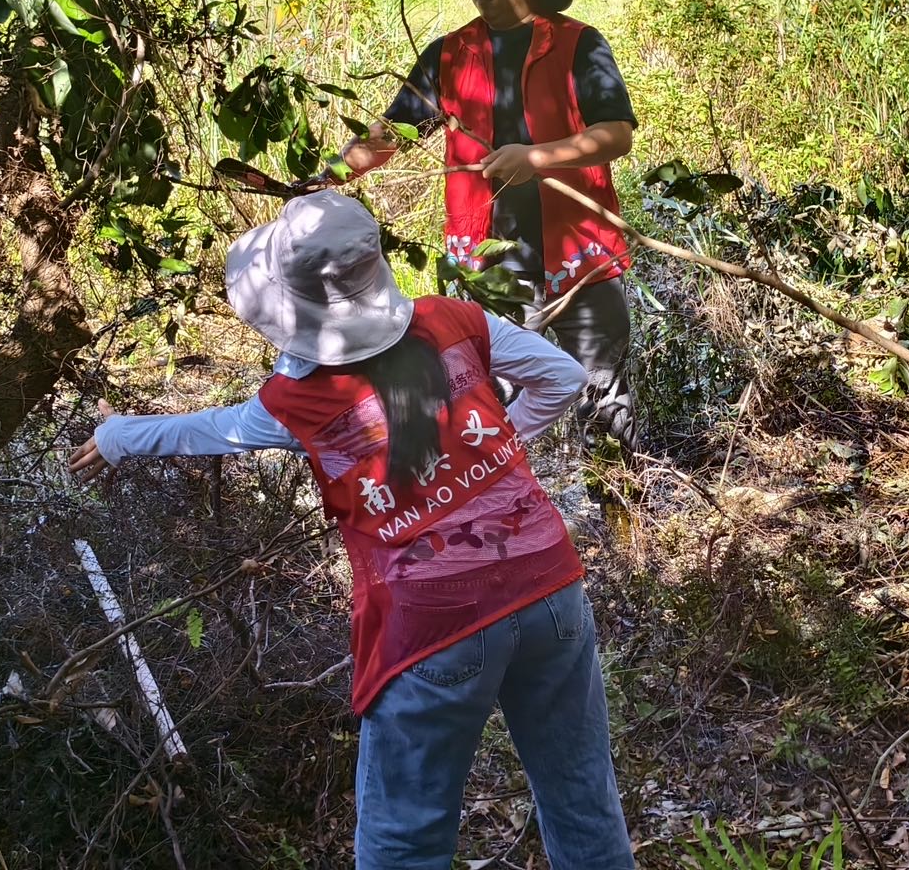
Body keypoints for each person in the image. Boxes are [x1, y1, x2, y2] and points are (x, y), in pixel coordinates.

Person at [68, 191, 634, 870]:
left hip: (435, 624)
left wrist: (118, 436)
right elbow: (562, 375)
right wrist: (493, 452)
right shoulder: (455, 320)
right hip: (549, 583)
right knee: (579, 792)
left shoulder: (295, 401)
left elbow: (210, 430)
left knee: (405, 837)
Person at [339, 0, 640, 453]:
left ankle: (617, 515)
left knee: (604, 397)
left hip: (580, 258)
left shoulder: (580, 45)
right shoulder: (448, 54)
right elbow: (395, 134)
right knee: (485, 396)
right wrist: (329, 174)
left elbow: (617, 134)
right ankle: (501, 511)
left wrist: (539, 157)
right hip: (490, 263)